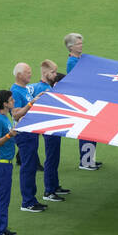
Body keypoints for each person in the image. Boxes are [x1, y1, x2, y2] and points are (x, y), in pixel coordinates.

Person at [29, 62, 70, 203]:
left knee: (54, 158)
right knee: (51, 158)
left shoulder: (41, 87)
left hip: (53, 127)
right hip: (50, 128)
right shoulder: (46, 89)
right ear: (47, 74)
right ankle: (49, 191)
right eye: (53, 73)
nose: (55, 75)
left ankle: (54, 185)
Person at [9, 63, 46, 215]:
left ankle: (31, 199)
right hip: (24, 134)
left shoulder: (24, 89)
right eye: (27, 72)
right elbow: (15, 114)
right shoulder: (15, 92)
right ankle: (28, 202)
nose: (30, 75)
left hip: (30, 132)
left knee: (31, 167)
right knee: (28, 167)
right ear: (19, 75)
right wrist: (32, 103)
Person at [65, 32, 101, 171]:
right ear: (71, 47)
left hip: (89, 97)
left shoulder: (80, 59)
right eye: (78, 44)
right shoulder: (73, 62)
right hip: (83, 99)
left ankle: (89, 159)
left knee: (92, 130)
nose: (81, 46)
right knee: (87, 130)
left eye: (81, 43)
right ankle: (85, 162)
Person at [0, 90, 20, 235]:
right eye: (11, 100)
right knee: (2, 198)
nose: (13, 102)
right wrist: (10, 135)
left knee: (5, 198)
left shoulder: (5, 117)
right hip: (0, 165)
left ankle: (3, 228)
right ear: (5, 104)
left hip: (5, 164)